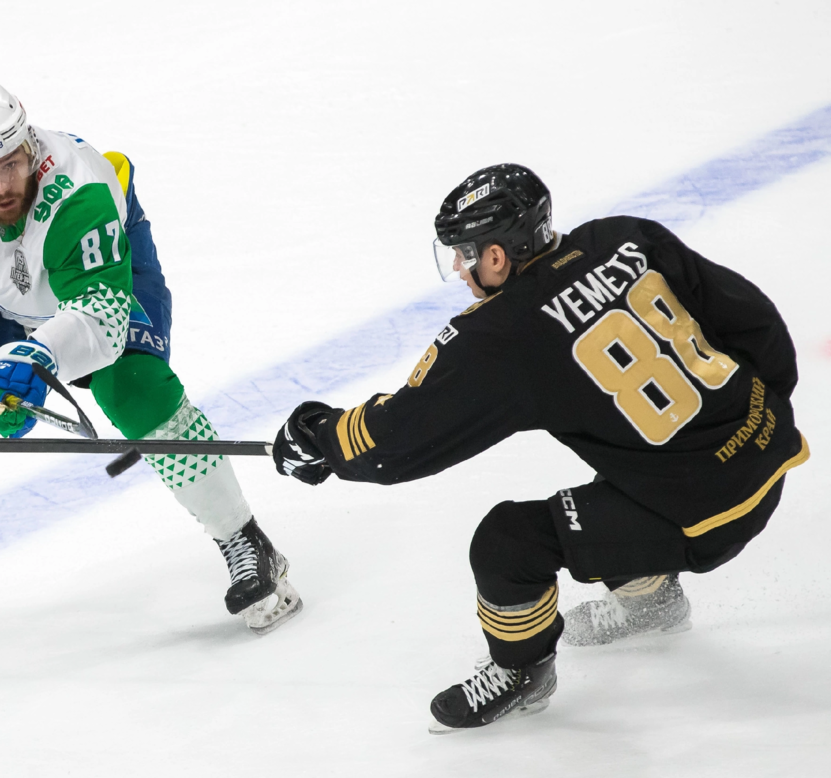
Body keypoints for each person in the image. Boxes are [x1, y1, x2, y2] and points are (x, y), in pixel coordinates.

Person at [272, 163, 808, 733]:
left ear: (497, 256)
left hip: (704, 516)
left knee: (508, 542)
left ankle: (522, 672)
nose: (459, 268)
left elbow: (396, 441)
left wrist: (318, 437)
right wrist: (757, 419)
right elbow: (755, 322)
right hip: (769, 446)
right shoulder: (624, 237)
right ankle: (651, 598)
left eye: (463, 253)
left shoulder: (504, 334)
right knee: (623, 459)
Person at [0, 79, 302, 661]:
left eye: (11, 164)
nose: (1, 186)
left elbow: (100, 318)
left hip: (94, 283)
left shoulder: (81, 193)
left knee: (135, 388)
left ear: (30, 146)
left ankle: (246, 541)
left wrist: (34, 355)